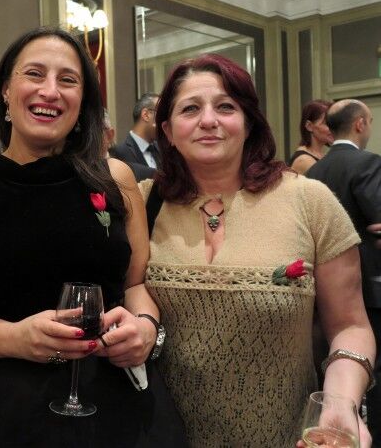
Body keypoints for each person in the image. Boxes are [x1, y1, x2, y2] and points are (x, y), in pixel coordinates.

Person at [0, 27, 186, 447]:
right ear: (5, 91)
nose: (50, 91)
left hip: (119, 401)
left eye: (68, 80)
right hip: (10, 407)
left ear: (83, 100)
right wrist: (15, 338)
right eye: (35, 74)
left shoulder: (116, 178)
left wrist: (146, 328)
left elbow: (135, 285)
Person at [142, 54, 375, 447]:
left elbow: (350, 325)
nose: (208, 120)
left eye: (226, 107)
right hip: (163, 436)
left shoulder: (310, 201)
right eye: (190, 109)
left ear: (249, 122)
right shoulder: (143, 203)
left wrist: (340, 401)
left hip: (285, 435)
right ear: (167, 129)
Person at [306, 98, 381, 445]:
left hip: (321, 291)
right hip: (368, 284)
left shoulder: (314, 171)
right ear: (360, 124)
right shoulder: (367, 163)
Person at [110, 93, 159, 181]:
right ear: (146, 115)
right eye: (161, 113)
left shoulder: (163, 149)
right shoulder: (119, 152)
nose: (165, 120)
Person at [289, 99, 333, 175]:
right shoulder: (303, 160)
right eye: (326, 123)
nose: (333, 128)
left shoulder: (323, 156)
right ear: (309, 126)